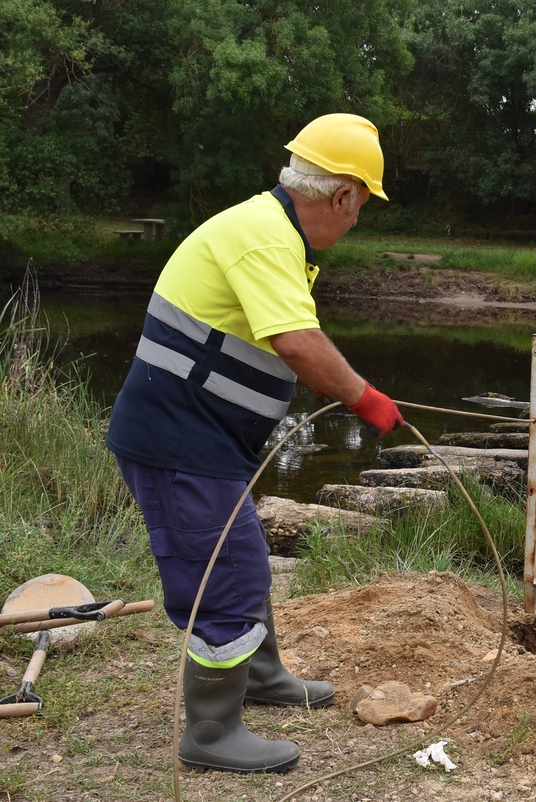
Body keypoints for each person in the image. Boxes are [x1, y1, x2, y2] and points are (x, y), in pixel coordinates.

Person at [105, 113, 404, 774]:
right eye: (361, 208)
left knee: (244, 559)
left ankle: (262, 680)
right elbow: (298, 344)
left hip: (201, 438)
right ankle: (210, 734)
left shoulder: (271, 232)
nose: (356, 222)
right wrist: (366, 399)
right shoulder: (264, 238)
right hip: (177, 440)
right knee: (228, 573)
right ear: (343, 195)